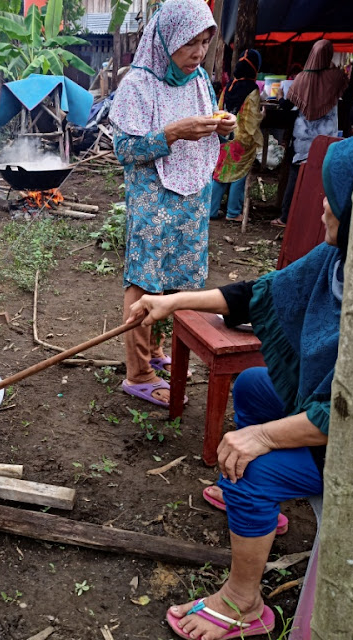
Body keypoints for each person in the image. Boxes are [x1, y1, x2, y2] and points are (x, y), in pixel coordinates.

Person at [126, 135, 353, 640]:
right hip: (330, 413)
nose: (323, 204)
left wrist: (266, 439)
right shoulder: (339, 261)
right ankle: (261, 510)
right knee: (254, 386)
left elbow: (351, 412)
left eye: (335, 197)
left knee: (250, 463)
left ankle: (244, 604)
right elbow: (260, 295)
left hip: (352, 445)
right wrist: (175, 302)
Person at [108, 0, 236, 408]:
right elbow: (125, 150)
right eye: (188, 44)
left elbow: (213, 130)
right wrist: (172, 133)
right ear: (165, 40)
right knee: (145, 280)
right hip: (153, 196)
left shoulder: (198, 79)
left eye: (203, 43)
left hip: (193, 196)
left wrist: (225, 127)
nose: (198, 54)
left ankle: (158, 352)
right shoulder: (139, 84)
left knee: (176, 278)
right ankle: (138, 372)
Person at [272, 39, 348, 228]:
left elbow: (286, 106)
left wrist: (281, 97)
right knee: (322, 177)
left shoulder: (301, 79)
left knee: (296, 177)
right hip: (328, 137)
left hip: (303, 137)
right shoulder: (336, 77)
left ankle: (285, 217)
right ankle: (316, 217)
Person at [210, 49, 264, 222]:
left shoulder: (229, 86)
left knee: (221, 172)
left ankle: (211, 210)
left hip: (225, 136)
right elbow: (251, 121)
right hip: (242, 140)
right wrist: (262, 116)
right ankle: (233, 212)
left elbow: (219, 110)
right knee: (239, 174)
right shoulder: (252, 89)